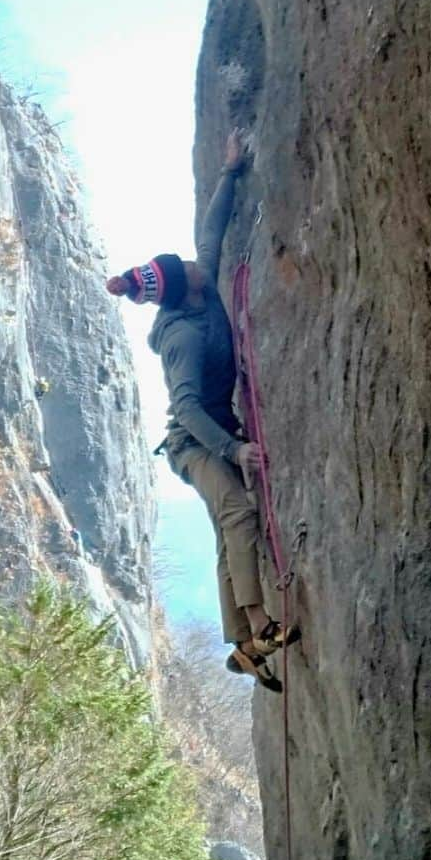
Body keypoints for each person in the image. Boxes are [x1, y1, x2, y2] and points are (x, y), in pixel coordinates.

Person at [106, 130, 299, 692]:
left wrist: (229, 172)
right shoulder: (182, 338)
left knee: (226, 532)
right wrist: (233, 448)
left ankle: (243, 647)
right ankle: (262, 626)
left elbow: (211, 235)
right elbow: (186, 408)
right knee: (238, 513)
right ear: (183, 291)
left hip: (212, 434)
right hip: (195, 444)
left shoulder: (198, 284)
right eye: (189, 269)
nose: (198, 263)